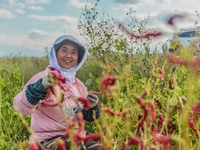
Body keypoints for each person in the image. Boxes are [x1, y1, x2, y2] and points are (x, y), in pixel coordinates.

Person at [13, 35, 104, 150]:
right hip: (48, 140)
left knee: (107, 143)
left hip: (76, 136)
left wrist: (91, 107)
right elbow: (21, 108)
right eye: (64, 50)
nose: (68, 56)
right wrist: (40, 87)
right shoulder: (43, 78)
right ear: (55, 54)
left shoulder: (78, 84)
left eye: (73, 52)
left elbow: (85, 117)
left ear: (78, 58)